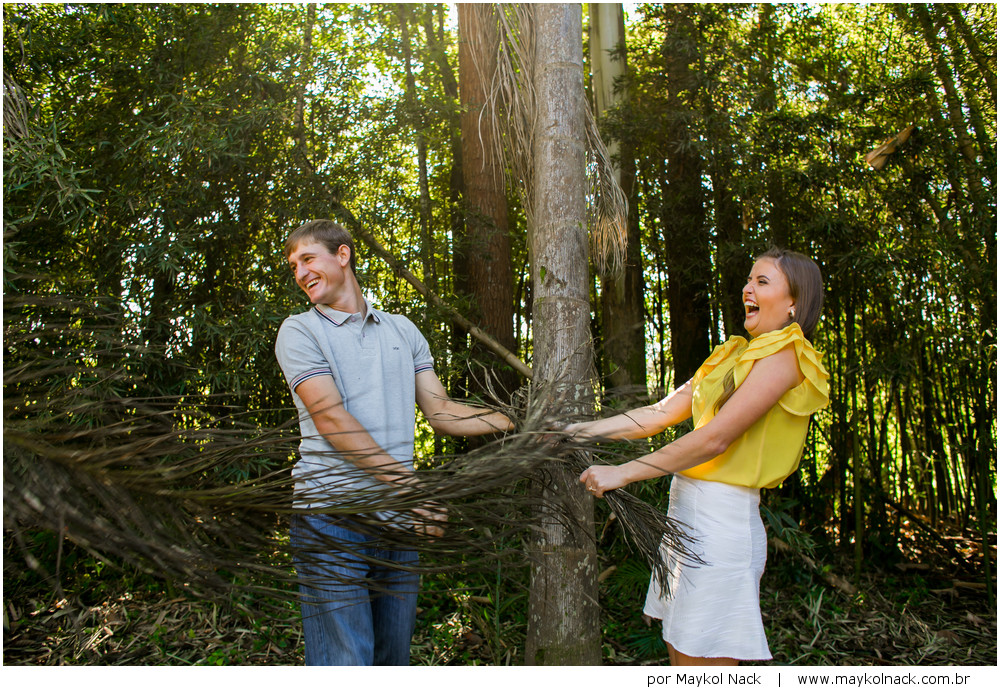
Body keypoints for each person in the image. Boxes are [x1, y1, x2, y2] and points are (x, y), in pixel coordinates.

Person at [567, 248, 829, 666]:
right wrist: (573, 432)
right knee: (681, 655)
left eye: (762, 282)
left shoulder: (786, 355)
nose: (748, 288)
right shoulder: (733, 354)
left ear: (795, 301)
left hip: (721, 528)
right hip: (686, 520)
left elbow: (715, 440)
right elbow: (659, 413)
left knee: (701, 663)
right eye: (749, 279)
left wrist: (624, 472)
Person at [275, 219, 513, 666]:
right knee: (349, 663)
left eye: (308, 259)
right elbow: (331, 418)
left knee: (391, 662)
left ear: (342, 255)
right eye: (294, 266)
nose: (300, 273)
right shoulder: (299, 331)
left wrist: (514, 421)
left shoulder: (403, 330)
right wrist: (413, 491)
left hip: (397, 522)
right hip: (330, 519)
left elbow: (441, 412)